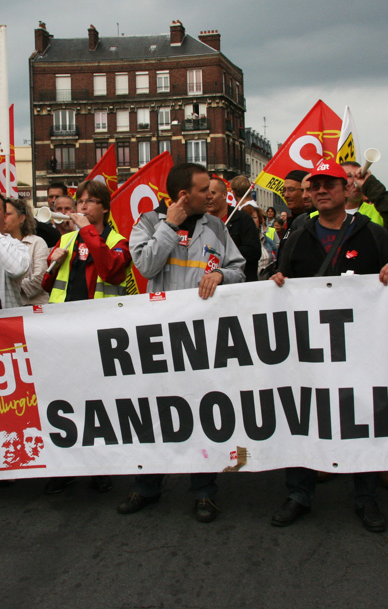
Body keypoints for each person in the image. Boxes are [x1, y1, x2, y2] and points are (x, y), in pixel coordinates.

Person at [269, 156, 388, 533]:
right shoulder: (298, 235)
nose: (320, 191)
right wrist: (278, 279)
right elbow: (279, 278)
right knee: (304, 415)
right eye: (314, 186)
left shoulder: (371, 232)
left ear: (347, 190)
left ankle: (365, 496)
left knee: (360, 417)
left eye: (329, 184)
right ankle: (299, 493)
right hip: (310, 350)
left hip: (360, 349)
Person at [121, 162, 246, 523]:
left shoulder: (217, 227)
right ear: (182, 195)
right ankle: (146, 486)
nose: (211, 194)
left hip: (203, 340)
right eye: (204, 188)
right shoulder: (147, 222)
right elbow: (145, 266)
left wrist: (222, 274)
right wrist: (169, 225)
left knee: (202, 412)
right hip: (159, 338)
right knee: (155, 414)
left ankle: (204, 492)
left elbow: (240, 268)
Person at [41, 179, 132, 494]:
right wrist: (51, 267)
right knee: (65, 401)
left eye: (90, 201)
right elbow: (45, 285)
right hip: (63, 331)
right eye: (80, 201)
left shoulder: (120, 241)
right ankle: (66, 466)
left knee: (99, 403)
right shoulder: (65, 239)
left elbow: (110, 270)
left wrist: (87, 232)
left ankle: (100, 467)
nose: (82, 206)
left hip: (99, 332)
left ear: (104, 207)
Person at [207, 177, 261, 281]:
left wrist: (223, 251)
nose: (208, 197)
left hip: (239, 286)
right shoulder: (202, 222)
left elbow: (254, 252)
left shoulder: (243, 219)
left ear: (224, 195)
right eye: (206, 193)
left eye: (213, 193)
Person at [4, 198, 49, 306]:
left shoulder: (36, 242)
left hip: (33, 308)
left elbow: (40, 278)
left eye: (8, 214)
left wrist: (8, 288)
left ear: (22, 218)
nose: (3, 218)